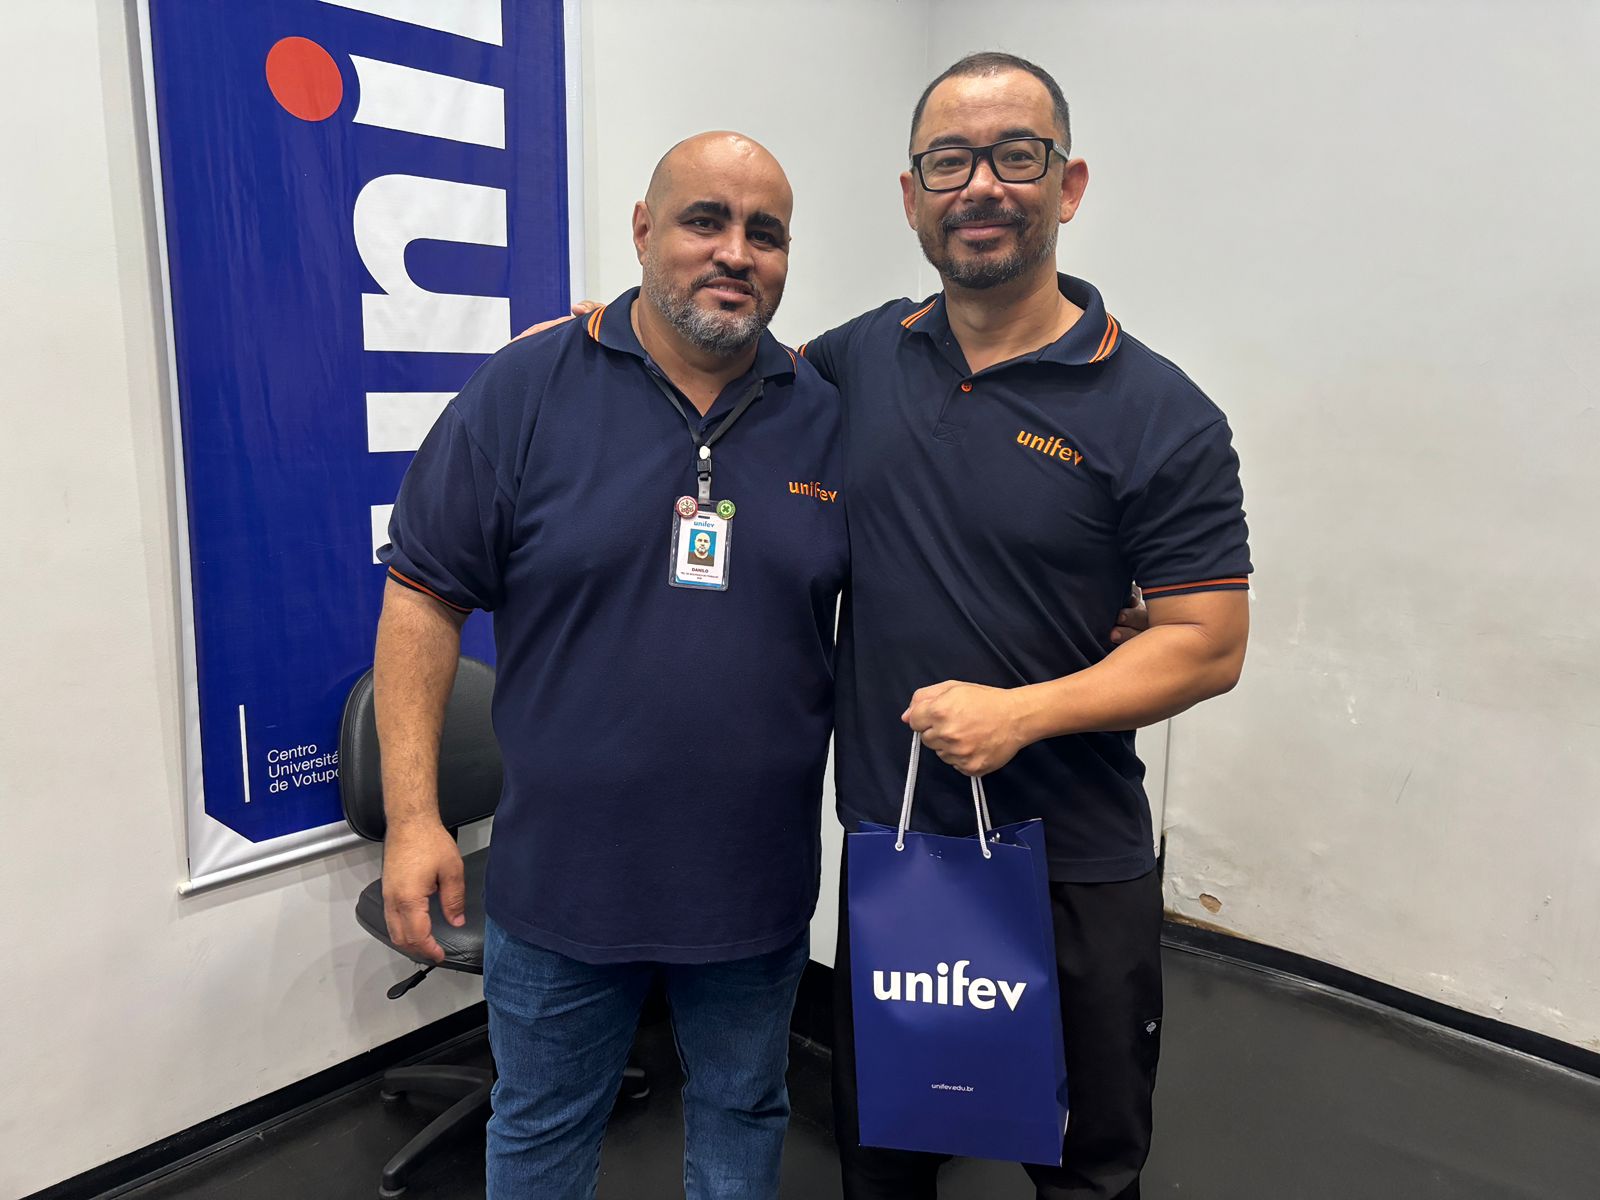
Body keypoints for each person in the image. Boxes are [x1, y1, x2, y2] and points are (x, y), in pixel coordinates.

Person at [797, 53, 1253, 1199]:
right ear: (912, 198)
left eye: (1015, 155)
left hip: (1072, 864)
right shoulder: (857, 360)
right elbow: (726, 377)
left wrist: (1023, 713)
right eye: (949, 162)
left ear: (1068, 184)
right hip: (900, 852)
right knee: (885, 1159)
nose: (981, 186)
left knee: (1085, 1170)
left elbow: (1208, 640)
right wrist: (597, 339)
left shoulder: (1161, 412)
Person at [372, 131, 847, 1200]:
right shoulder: (526, 388)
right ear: (642, 230)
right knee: (542, 1135)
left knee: (744, 1115)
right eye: (704, 221)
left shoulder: (826, 416)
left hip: (754, 882)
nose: (736, 252)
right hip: (564, 885)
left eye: (765, 233)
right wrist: (414, 818)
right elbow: (422, 597)